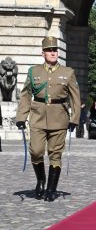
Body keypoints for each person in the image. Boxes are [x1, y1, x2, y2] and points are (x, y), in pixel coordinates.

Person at [15, 36, 80, 201]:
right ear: (42, 53)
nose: (53, 53)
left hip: (59, 117)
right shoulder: (33, 71)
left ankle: (51, 189)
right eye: (49, 50)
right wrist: (21, 117)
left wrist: (74, 119)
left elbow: (75, 98)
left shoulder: (68, 72)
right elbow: (25, 95)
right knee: (36, 151)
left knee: (55, 153)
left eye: (55, 50)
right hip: (37, 117)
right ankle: (41, 180)